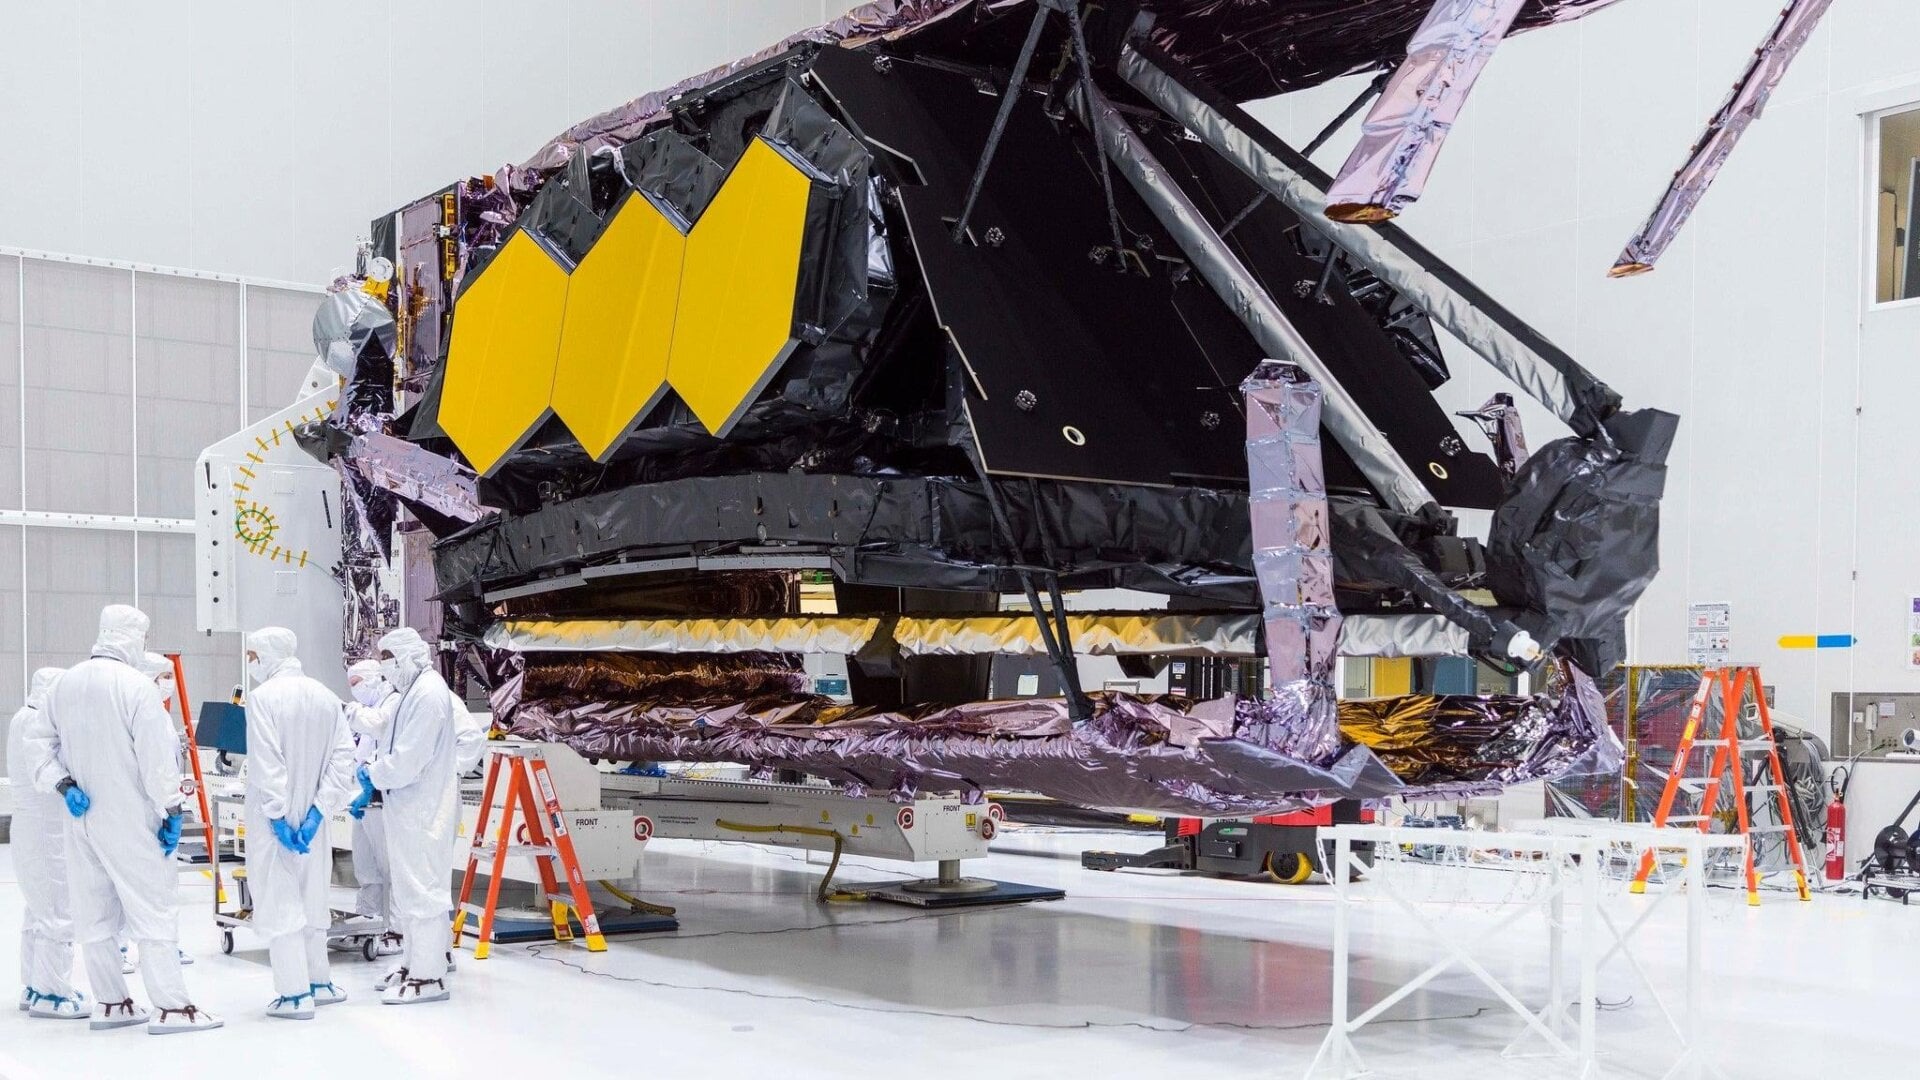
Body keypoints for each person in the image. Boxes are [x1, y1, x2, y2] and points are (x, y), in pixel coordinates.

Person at [21, 605, 221, 1032]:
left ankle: (112, 1003)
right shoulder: (135, 687)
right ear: (134, 638)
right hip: (131, 817)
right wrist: (171, 809)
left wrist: (63, 786)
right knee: (154, 908)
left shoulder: (66, 683)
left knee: (94, 912)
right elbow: (156, 761)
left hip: (82, 816)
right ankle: (172, 1007)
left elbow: (36, 744)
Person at [241, 628, 357, 1020]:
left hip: (277, 820)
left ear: (269, 654)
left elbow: (266, 763)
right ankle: (319, 982)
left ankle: (293, 994)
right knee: (312, 897)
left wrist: (277, 816)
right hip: (313, 819)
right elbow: (344, 759)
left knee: (280, 901)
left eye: (253, 655)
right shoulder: (326, 697)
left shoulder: (263, 698)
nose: (251, 663)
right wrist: (318, 812)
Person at [351, 627, 458, 1004]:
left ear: (409, 655)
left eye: (389, 659)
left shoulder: (428, 693)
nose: (386, 667)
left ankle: (429, 977)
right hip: (409, 805)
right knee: (411, 890)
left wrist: (373, 772)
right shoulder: (412, 692)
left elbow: (409, 758)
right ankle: (414, 964)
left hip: (424, 808)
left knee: (423, 890)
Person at [8, 667, 87, 1020]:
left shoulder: (22, 717)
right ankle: (52, 994)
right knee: (58, 908)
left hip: (30, 826)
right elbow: (49, 771)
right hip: (46, 829)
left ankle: (34, 984)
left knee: (38, 909)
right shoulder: (38, 723)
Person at [343, 659, 400, 956]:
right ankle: (367, 922)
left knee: (387, 865)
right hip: (365, 798)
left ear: (376, 677)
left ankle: (394, 929)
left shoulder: (393, 704)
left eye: (357, 683)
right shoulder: (373, 709)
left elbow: (385, 742)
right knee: (366, 867)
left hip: (382, 800)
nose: (355, 691)